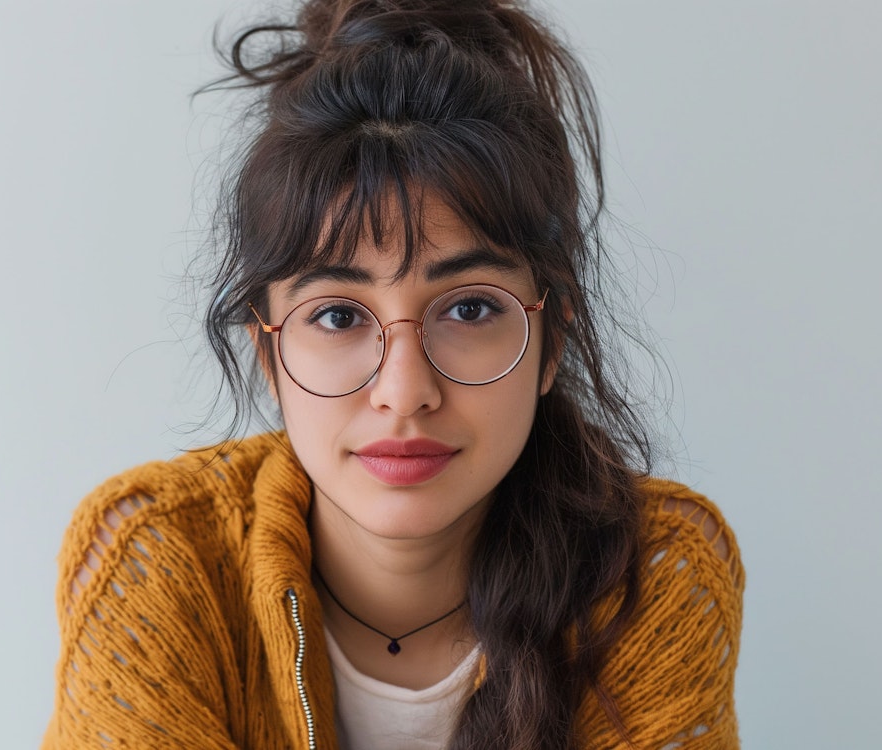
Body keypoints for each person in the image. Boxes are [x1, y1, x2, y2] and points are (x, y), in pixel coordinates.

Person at [42, 0, 744, 747]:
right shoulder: (157, 559)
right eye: (340, 317)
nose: (404, 392)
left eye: (470, 309)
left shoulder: (652, 576)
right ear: (267, 352)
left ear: (552, 342)